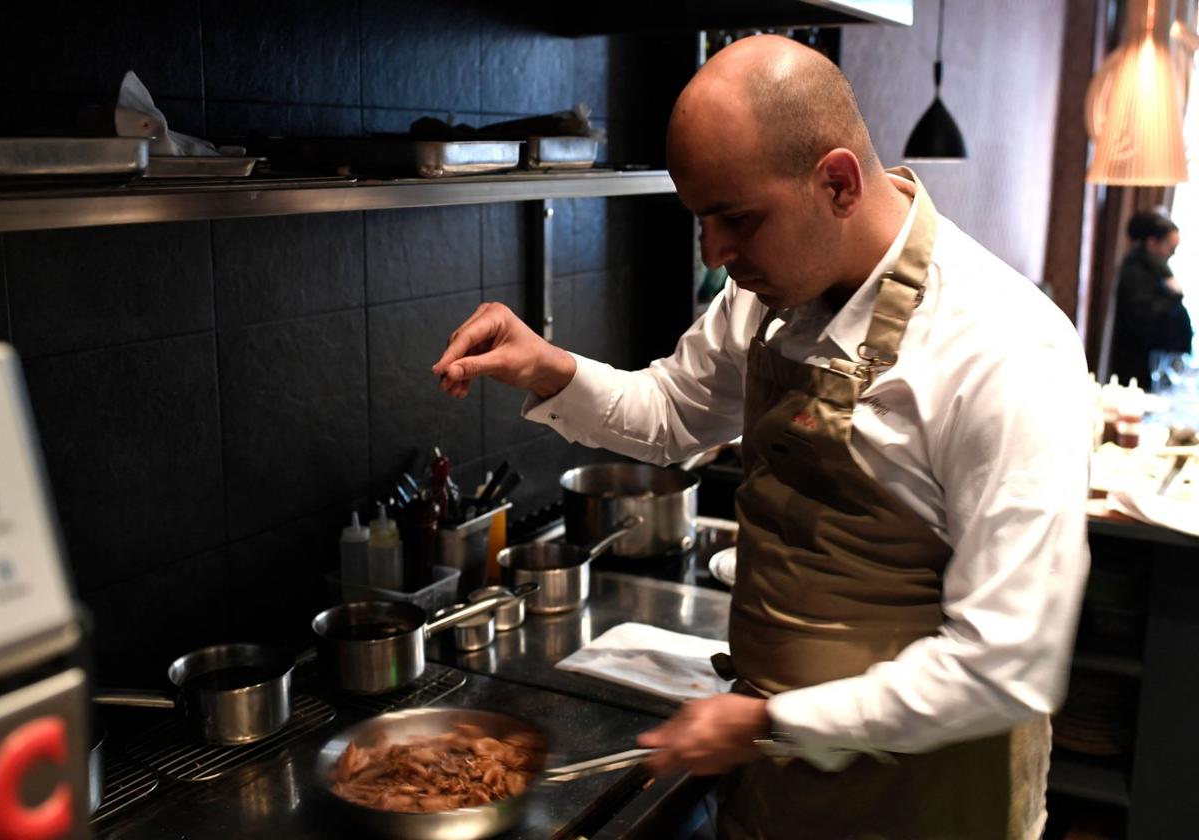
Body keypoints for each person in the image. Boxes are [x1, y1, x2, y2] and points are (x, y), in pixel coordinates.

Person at [433, 36, 1091, 839]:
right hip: (779, 793)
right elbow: (673, 412)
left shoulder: (1005, 349)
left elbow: (1005, 665)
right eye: (702, 221)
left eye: (736, 219)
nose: (715, 256)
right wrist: (547, 368)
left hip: (931, 804)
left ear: (839, 183)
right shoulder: (769, 296)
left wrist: (769, 722)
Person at [1109, 211, 1193, 389]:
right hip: (1139, 368)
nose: (1172, 253)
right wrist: (1174, 295)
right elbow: (1145, 316)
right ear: (1152, 242)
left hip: (1160, 366)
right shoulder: (1135, 271)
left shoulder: (1155, 268)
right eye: (1170, 247)